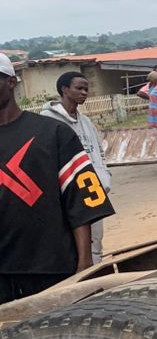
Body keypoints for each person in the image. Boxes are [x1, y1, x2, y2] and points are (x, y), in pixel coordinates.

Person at [0, 53, 114, 304]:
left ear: (11, 82)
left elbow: (82, 202)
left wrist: (84, 263)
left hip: (52, 265)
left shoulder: (53, 133)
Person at [41, 71, 112, 263]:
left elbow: (98, 151)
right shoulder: (48, 121)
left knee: (95, 242)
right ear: (64, 89)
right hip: (68, 192)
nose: (84, 93)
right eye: (79, 88)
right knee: (75, 243)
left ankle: (95, 275)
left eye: (86, 89)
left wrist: (104, 176)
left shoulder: (86, 122)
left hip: (92, 190)